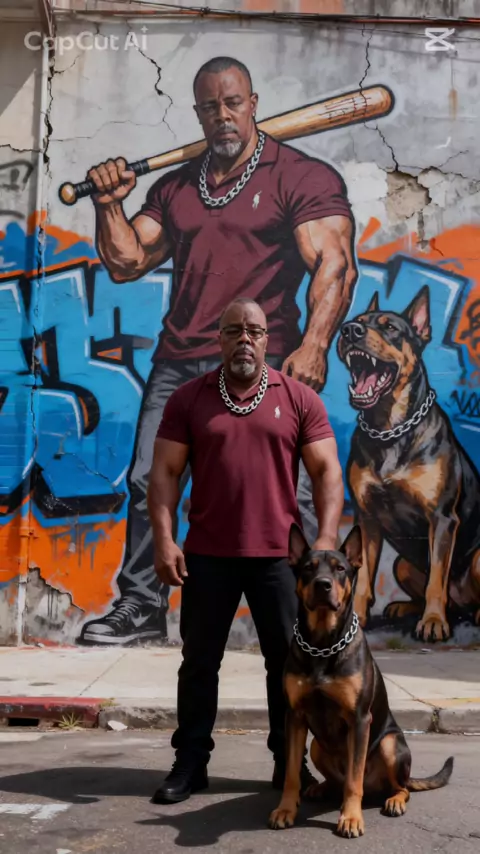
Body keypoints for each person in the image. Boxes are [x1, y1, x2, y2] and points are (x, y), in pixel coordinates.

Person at [79, 55, 357, 646]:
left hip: (268, 360)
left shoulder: (299, 176)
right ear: (199, 114)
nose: (223, 115)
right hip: (181, 362)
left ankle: (309, 614)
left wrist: (315, 344)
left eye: (233, 103)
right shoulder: (177, 187)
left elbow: (334, 263)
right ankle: (141, 605)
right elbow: (128, 261)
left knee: (292, 489)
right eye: (210, 107)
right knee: (147, 480)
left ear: (252, 104)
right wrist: (109, 204)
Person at [148, 297, 345, 803]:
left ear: (266, 340)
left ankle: (288, 764)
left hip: (278, 559)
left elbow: (327, 471)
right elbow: (165, 472)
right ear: (219, 339)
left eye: (253, 331)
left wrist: (325, 539)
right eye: (234, 330)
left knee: (286, 664)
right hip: (207, 554)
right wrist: (165, 540)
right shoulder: (189, 399)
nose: (244, 339)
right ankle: (190, 763)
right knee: (199, 663)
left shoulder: (298, 398)